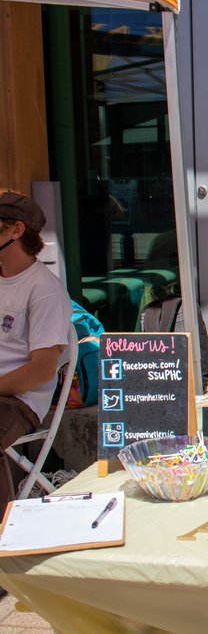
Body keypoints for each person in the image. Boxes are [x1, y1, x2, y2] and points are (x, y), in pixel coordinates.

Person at [0, 192, 72, 513]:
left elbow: (41, 370)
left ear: (15, 230)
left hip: (19, 401)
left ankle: (5, 540)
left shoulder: (44, 290)